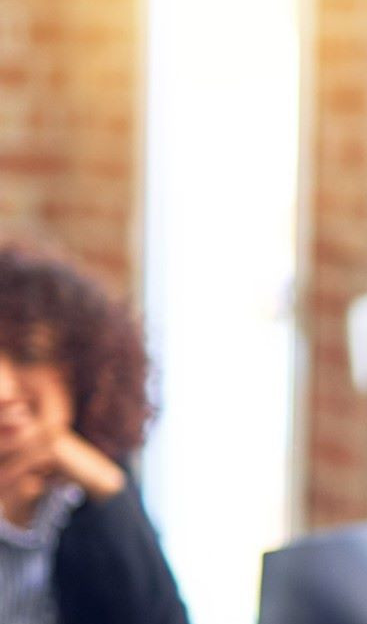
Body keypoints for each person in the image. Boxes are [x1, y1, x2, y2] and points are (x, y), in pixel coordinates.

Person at [0, 242, 188, 624]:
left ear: (84, 369)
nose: (2, 390)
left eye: (28, 355)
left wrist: (108, 487)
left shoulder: (93, 485)